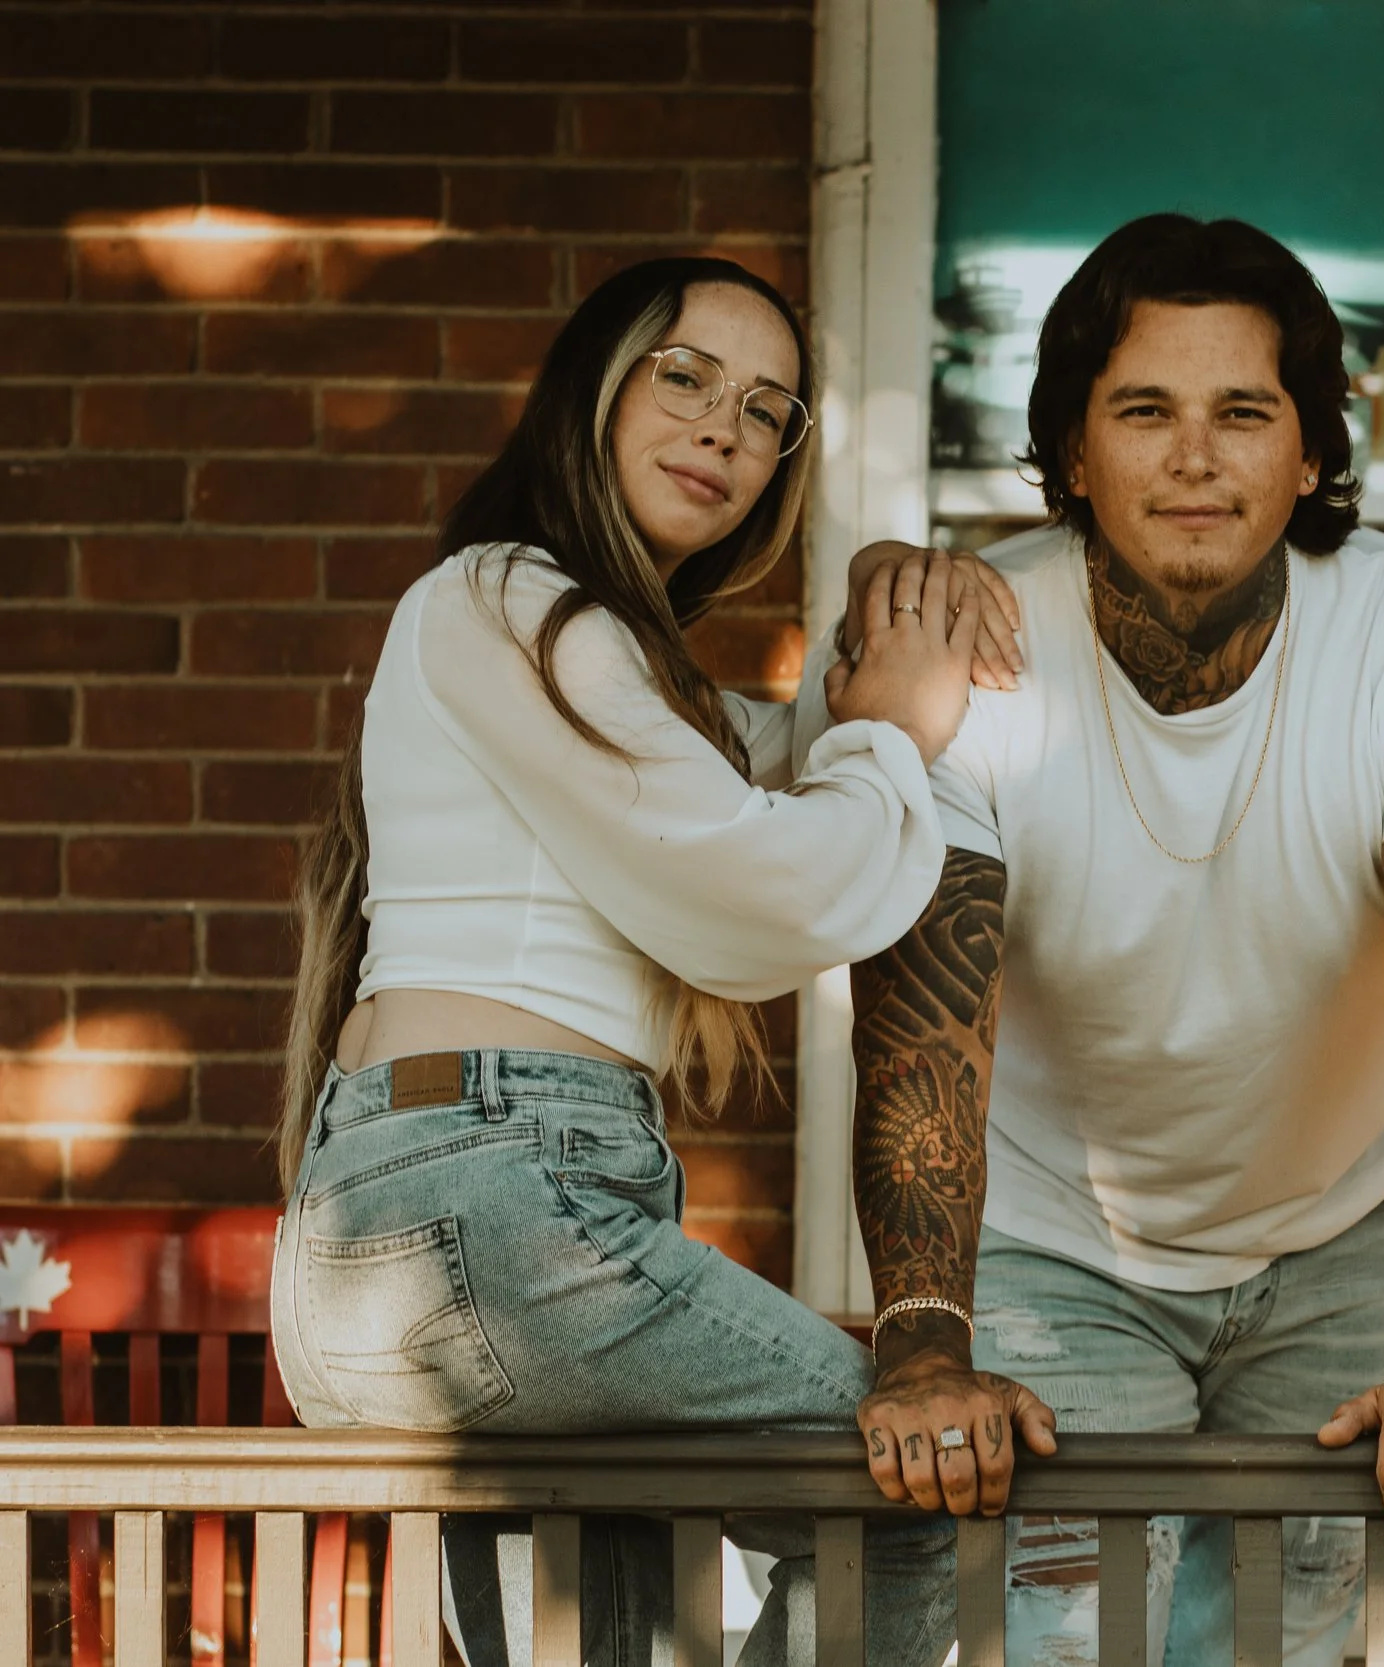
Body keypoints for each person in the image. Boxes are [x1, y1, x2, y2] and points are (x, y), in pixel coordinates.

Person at [797, 214, 1384, 1666]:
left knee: (1265, 1643)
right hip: (1056, 1241)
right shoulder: (974, 657)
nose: (1194, 456)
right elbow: (922, 1025)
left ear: (1315, 449)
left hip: (1339, 1235)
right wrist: (929, 1338)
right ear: (1074, 451)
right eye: (1144, 410)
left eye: (1243, 412)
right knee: (1079, 1647)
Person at [267, 256, 988, 1667]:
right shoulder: (510, 603)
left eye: (770, 408)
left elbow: (760, 774)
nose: (728, 426)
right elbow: (762, 870)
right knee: (912, 1491)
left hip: (432, 1221)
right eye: (687, 376)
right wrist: (894, 731)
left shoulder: (616, 673)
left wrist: (876, 629)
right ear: (586, 396)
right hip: (504, 1208)